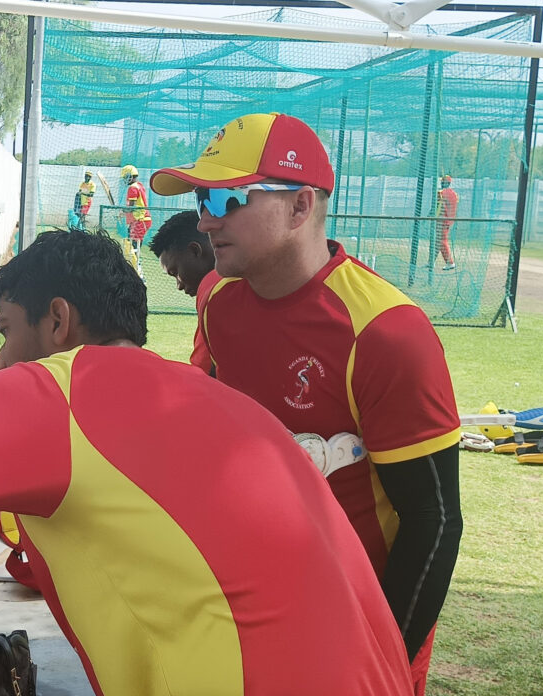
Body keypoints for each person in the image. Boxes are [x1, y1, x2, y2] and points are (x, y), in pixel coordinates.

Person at [0, 230, 414, 696]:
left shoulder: (60, 392)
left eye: (9, 332)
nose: (0, 362)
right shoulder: (207, 397)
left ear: (58, 322)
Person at [150, 112, 462, 695]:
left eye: (227, 198)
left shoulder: (387, 333)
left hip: (362, 616)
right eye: (201, 200)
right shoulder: (218, 299)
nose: (207, 219)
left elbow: (434, 520)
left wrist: (383, 659)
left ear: (300, 207)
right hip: (258, 598)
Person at [149, 209, 218, 373]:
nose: (179, 285)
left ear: (195, 251)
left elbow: (203, 374)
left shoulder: (217, 290)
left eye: (175, 273)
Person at [121, 164, 151, 280]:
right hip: (140, 220)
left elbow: (131, 207)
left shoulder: (132, 188)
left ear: (129, 176)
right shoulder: (139, 185)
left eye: (125, 177)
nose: (125, 180)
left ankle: (139, 275)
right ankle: (135, 272)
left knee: (134, 249)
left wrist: (122, 210)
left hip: (140, 220)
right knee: (132, 247)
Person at [435, 174, 458, 271]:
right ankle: (431, 261)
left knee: (442, 241)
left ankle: (450, 262)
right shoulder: (454, 194)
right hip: (449, 220)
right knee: (437, 241)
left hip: (441, 220)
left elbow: (436, 206)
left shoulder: (440, 193)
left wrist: (429, 216)